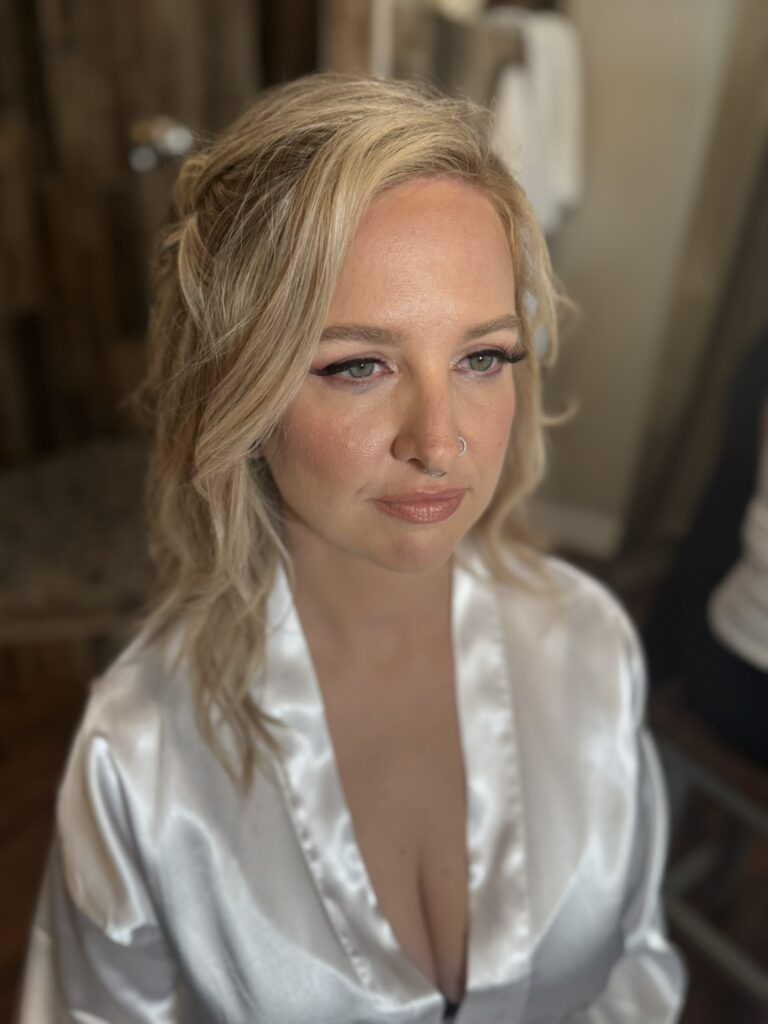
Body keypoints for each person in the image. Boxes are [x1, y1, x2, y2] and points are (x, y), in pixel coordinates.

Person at [15, 73, 686, 1022]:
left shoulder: (589, 645)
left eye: (482, 357)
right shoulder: (140, 757)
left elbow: (636, 967)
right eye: (358, 366)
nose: (440, 442)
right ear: (243, 396)